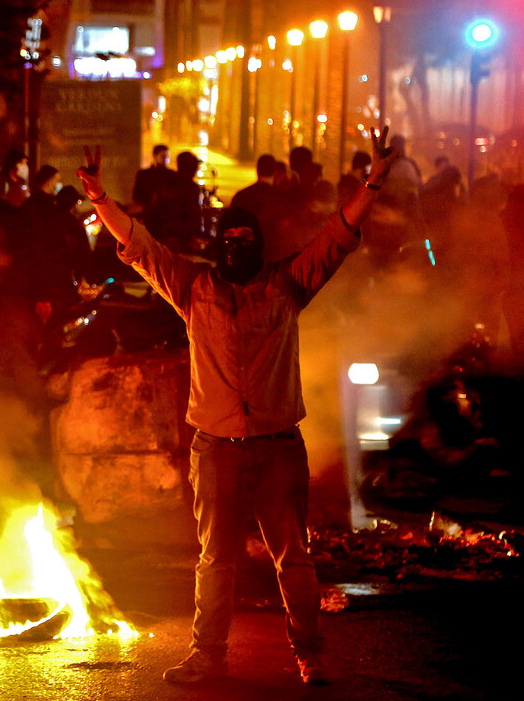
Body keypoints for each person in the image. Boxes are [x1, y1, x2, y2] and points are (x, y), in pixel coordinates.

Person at [75, 127, 401, 686]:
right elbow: (142, 248)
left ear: (261, 246)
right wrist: (101, 200)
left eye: (246, 239)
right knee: (214, 561)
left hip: (277, 448)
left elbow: (337, 236)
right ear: (219, 245)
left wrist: (373, 181)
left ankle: (310, 655)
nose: (236, 247)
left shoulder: (286, 285)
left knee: (293, 560)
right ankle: (208, 656)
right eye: (230, 239)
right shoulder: (194, 287)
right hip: (216, 449)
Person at [132, 144, 171, 212]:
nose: (166, 159)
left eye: (168, 157)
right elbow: (136, 195)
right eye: (163, 156)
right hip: (148, 212)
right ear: (155, 156)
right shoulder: (144, 175)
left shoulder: (172, 175)